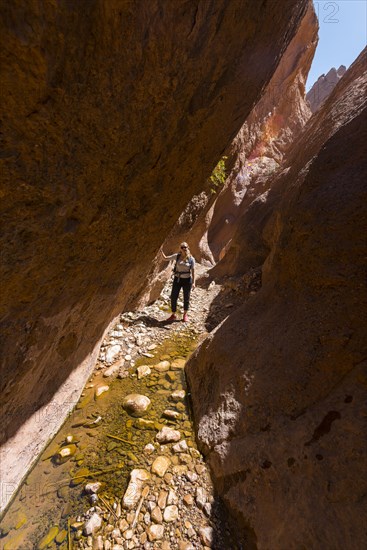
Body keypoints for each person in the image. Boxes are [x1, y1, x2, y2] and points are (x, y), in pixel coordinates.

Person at [161, 242, 195, 322]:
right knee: (173, 296)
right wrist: (160, 251)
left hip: (187, 280)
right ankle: (173, 314)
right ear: (180, 248)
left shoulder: (191, 259)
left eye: (185, 247)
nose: (184, 248)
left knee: (186, 297)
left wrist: (194, 282)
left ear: (188, 248)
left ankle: (185, 315)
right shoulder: (177, 256)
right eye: (182, 247)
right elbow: (165, 258)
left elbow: (193, 271)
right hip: (177, 279)